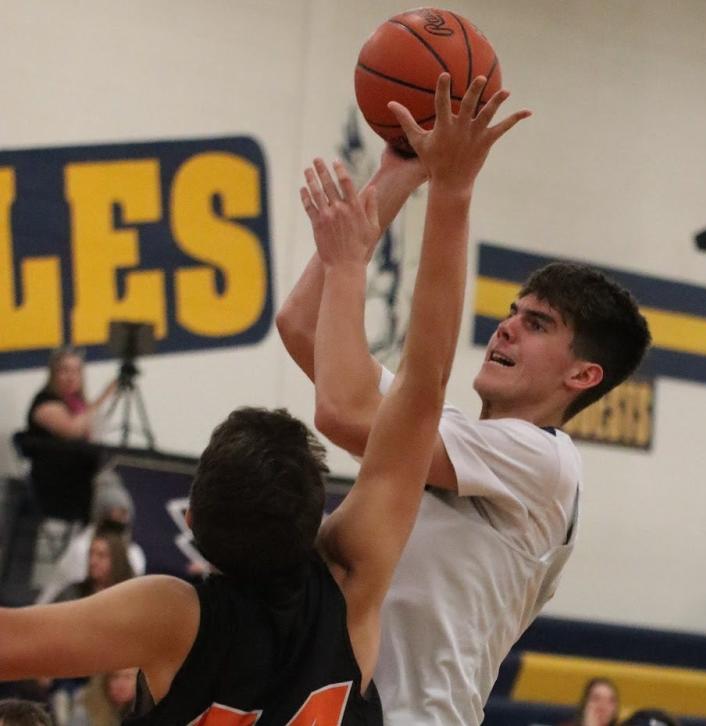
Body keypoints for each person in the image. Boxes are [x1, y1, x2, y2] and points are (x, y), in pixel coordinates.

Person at [0, 72, 525, 724]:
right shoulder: (354, 585)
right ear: (318, 519)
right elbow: (424, 385)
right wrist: (450, 186)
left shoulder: (171, 618)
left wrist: (408, 185)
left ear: (189, 527)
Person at [277, 90, 651, 726]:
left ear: (583, 374)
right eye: (511, 313)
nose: (505, 328)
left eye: (535, 324)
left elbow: (342, 410)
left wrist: (450, 190)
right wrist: (400, 171)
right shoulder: (448, 434)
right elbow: (303, 326)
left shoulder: (544, 463)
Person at [20, 348, 116, 523]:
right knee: (113, 497)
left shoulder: (77, 404)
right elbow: (72, 430)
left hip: (82, 480)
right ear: (53, 374)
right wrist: (105, 396)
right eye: (65, 370)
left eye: (76, 371)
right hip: (56, 486)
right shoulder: (45, 402)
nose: (71, 376)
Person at [36, 473, 146, 605]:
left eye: (124, 513)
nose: (94, 561)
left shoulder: (134, 553)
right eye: (115, 513)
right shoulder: (81, 548)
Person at [52, 526, 134, 603]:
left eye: (101, 555)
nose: (93, 561)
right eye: (91, 554)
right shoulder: (73, 594)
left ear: (117, 560)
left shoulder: (131, 596)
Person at [68, 668, 137, 726]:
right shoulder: (84, 711)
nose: (121, 685)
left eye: (128, 677)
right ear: (105, 682)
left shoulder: (144, 710)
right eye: (115, 677)